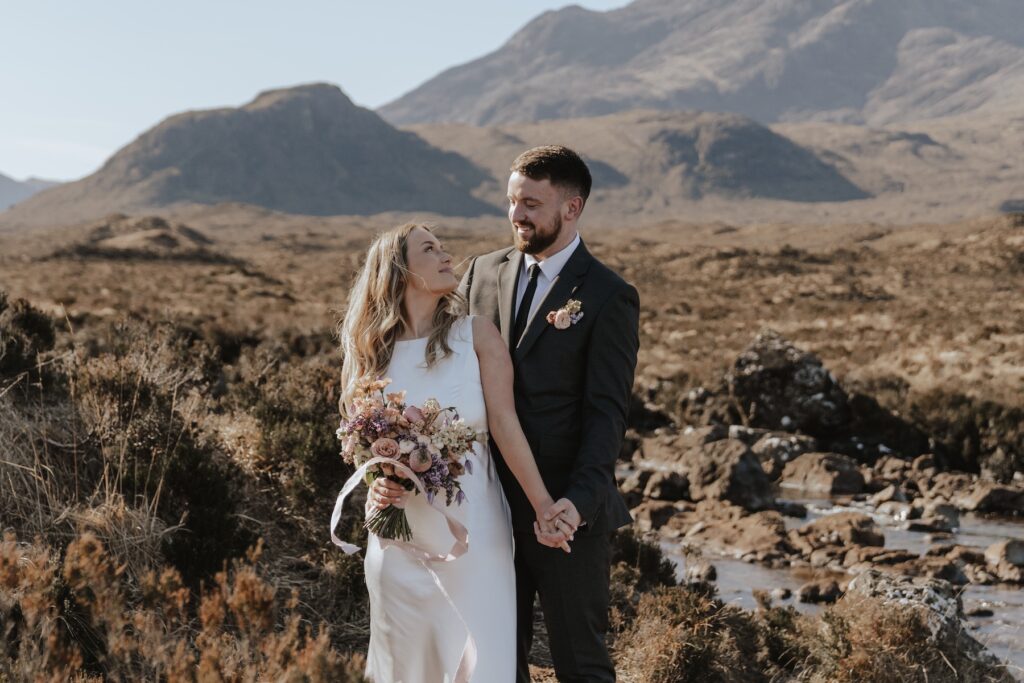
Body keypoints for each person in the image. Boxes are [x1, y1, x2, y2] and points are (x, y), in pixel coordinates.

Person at [339, 222, 567, 683]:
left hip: (475, 530)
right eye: (430, 249)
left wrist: (544, 504)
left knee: (481, 660)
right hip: (396, 538)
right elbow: (361, 443)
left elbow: (505, 425)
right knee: (405, 664)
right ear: (400, 269)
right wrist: (378, 483)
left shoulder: (476, 335)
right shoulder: (370, 352)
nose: (447, 257)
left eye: (444, 248)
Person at [459, 145, 640, 682]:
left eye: (532, 203)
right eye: (512, 201)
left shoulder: (609, 296)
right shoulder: (481, 274)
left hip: (564, 516)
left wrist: (575, 506)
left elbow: (605, 416)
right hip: (487, 510)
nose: (517, 215)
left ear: (572, 208)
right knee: (494, 662)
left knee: (580, 665)